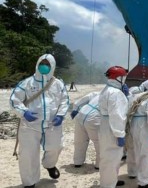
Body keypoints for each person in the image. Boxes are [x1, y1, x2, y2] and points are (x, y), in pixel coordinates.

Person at [9, 54, 69, 188]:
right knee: (28, 155)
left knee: (56, 147)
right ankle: (29, 182)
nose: (45, 66)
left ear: (52, 66)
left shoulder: (58, 84)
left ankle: (49, 165)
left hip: (52, 124)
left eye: (48, 64)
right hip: (30, 125)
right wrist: (24, 112)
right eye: (43, 63)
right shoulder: (27, 83)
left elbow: (64, 100)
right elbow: (14, 100)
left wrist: (60, 114)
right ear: (37, 64)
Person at [98, 66, 129, 187]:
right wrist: (120, 134)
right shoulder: (116, 93)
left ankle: (110, 181)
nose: (125, 79)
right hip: (113, 129)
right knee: (113, 158)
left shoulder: (106, 89)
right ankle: (108, 184)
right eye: (123, 77)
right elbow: (117, 116)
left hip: (105, 126)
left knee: (106, 157)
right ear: (119, 78)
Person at [125, 79, 148, 179]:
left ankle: (132, 172)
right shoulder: (145, 96)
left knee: (131, 149)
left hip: (129, 122)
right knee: (142, 151)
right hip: (138, 124)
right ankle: (143, 176)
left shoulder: (132, 90)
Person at [70, 91, 101, 169]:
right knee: (99, 142)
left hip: (81, 114)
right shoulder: (117, 96)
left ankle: (78, 162)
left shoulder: (98, 93)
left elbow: (83, 99)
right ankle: (99, 165)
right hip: (94, 117)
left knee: (80, 140)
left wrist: (75, 109)